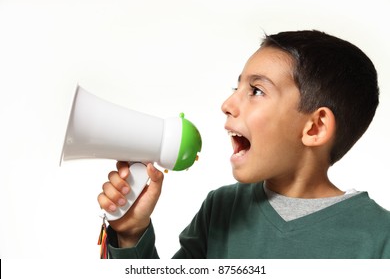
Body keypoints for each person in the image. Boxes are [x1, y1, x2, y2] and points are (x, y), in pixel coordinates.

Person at [97, 30, 390, 258]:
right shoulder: (221, 209)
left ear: (314, 127)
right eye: (235, 88)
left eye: (256, 91)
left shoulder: (380, 238)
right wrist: (132, 235)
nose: (227, 104)